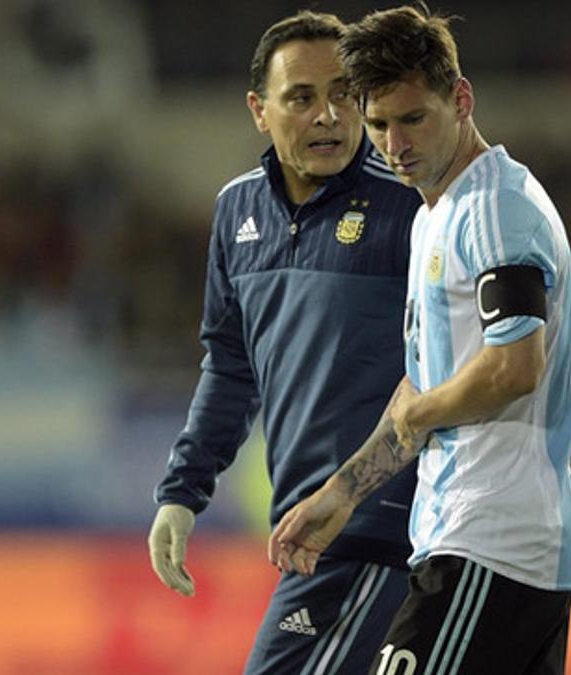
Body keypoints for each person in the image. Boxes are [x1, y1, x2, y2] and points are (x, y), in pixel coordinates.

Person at [267, 5, 571, 674]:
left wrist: (418, 412)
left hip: (491, 538)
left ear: (461, 99)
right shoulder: (433, 215)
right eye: (378, 124)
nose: (395, 143)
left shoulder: (495, 208)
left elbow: (514, 365)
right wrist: (344, 491)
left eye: (413, 119)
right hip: (480, 538)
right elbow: (424, 382)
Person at [146, 11, 424, 674]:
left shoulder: (411, 208)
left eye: (344, 94)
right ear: (259, 110)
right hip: (312, 536)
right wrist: (183, 492)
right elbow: (232, 366)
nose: (327, 114)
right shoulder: (237, 211)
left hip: (380, 532)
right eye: (301, 97)